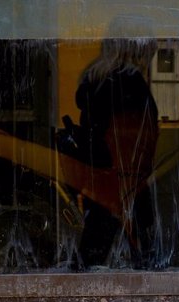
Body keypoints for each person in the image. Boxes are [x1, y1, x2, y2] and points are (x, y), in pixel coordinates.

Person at [74, 16, 159, 269]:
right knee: (143, 255)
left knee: (94, 248)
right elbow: (131, 135)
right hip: (125, 177)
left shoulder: (96, 79)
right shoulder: (128, 81)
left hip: (101, 175)